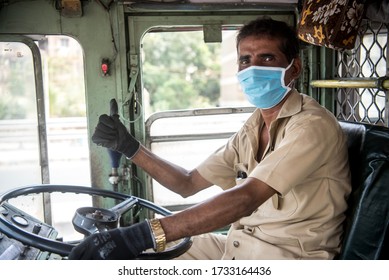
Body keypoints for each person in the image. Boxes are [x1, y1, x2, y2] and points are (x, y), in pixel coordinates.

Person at [69, 17, 351, 260]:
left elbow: (245, 198)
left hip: (288, 258)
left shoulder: (311, 126)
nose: (253, 68)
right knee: (138, 258)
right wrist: (129, 147)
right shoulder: (253, 127)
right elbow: (188, 183)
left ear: (295, 68)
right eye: (245, 60)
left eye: (267, 58)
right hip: (240, 244)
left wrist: (141, 234)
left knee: (139, 246)